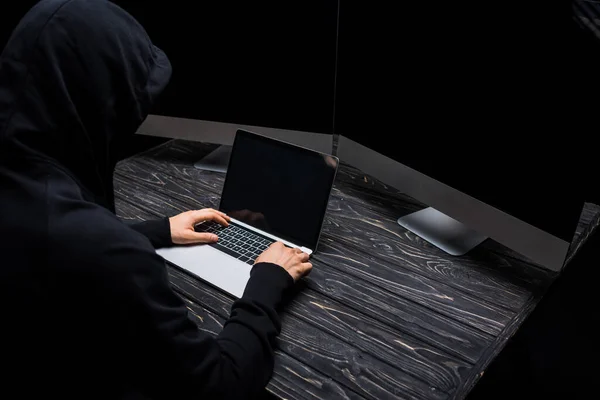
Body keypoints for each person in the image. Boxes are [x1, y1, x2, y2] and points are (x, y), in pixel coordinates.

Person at [0, 0, 312, 399]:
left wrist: (156, 231)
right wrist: (267, 280)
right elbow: (220, 383)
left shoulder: (30, 197)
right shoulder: (102, 250)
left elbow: (41, 241)